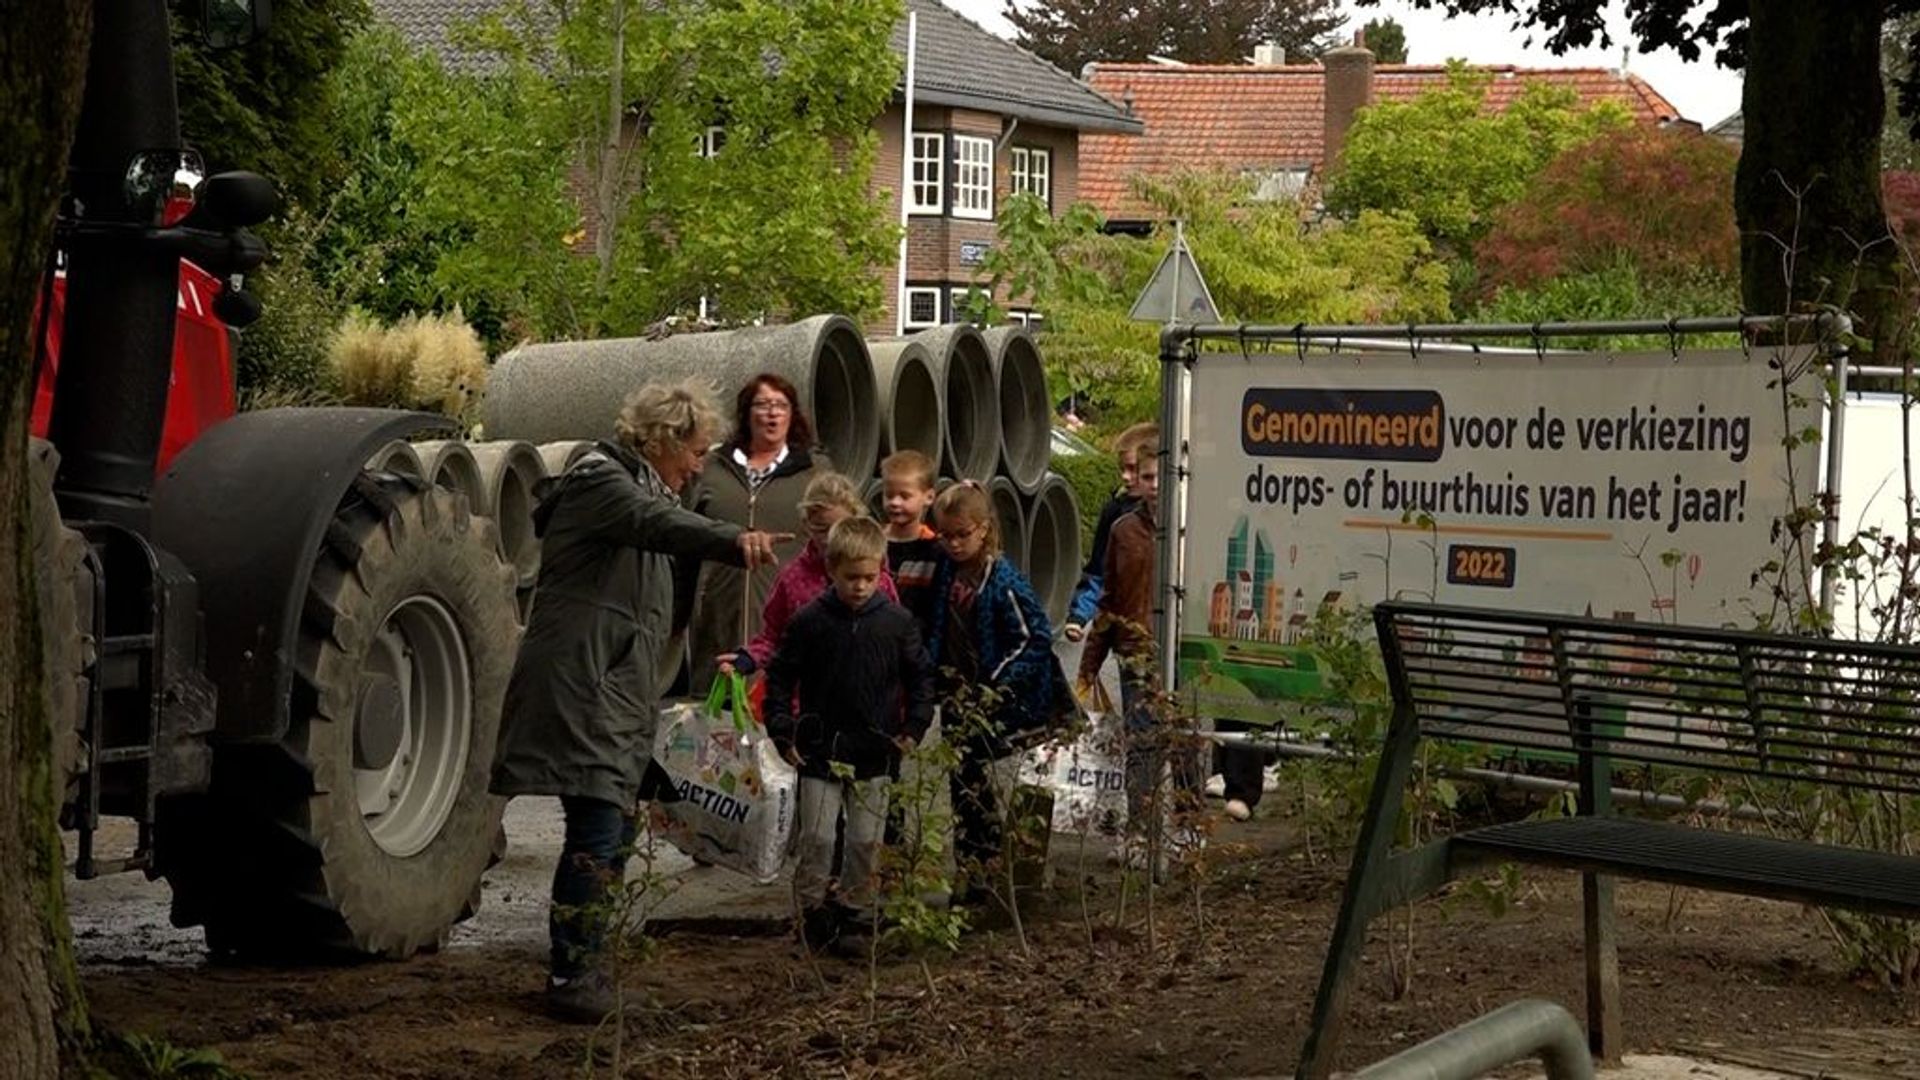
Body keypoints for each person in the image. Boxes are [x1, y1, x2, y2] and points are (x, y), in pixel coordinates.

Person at [489, 382, 788, 1024]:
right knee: (599, 826)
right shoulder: (604, 482)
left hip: (613, 687)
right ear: (663, 440)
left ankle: (589, 961)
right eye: (696, 452)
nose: (699, 467)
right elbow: (657, 527)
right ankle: (574, 974)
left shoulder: (644, 487)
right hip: (584, 682)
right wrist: (732, 540)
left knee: (614, 825)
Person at [761, 518, 935, 954]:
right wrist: (783, 730)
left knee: (865, 839)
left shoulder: (896, 623)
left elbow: (920, 679)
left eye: (869, 577)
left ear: (881, 572)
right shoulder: (810, 621)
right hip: (820, 749)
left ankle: (856, 915)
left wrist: (913, 728)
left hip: (876, 749)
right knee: (817, 839)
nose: (860, 587)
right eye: (850, 577)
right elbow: (780, 676)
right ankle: (811, 915)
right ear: (832, 571)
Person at [925, 481, 1073, 890]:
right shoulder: (948, 573)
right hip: (958, 694)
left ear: (984, 530)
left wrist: (996, 684)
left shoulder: (1004, 580)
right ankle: (972, 870)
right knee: (963, 784)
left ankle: (1002, 871)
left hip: (999, 701)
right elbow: (939, 625)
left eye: (962, 534)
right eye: (946, 536)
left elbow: (1035, 637)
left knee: (996, 785)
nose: (953, 544)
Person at [1077, 440, 1204, 853]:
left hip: (1186, 648)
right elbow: (1110, 596)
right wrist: (1091, 660)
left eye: (1161, 477)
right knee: (1142, 742)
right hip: (1136, 648)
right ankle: (1140, 831)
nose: (1154, 486)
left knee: (1186, 738)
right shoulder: (1124, 530)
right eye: (1147, 477)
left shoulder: (1198, 527)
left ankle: (1189, 825)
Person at [680, 373, 829, 693]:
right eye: (762, 405)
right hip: (718, 611)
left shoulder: (814, 470)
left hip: (790, 611)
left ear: (793, 413)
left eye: (780, 405)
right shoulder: (711, 466)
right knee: (717, 719)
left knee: (781, 706)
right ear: (747, 414)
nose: (772, 413)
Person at [723, 472, 898, 676]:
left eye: (839, 528)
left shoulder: (878, 581)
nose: (830, 538)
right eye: (821, 529)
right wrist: (748, 659)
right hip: (805, 697)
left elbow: (897, 639)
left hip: (865, 692)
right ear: (807, 525)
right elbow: (774, 637)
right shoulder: (792, 579)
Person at [1063, 423, 1159, 646]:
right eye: (1122, 469)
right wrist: (1079, 615)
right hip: (1130, 632)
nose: (1126, 477)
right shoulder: (1116, 514)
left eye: (1133, 469)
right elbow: (1099, 572)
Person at [877, 449, 941, 626]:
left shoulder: (935, 549)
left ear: (928, 497)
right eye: (889, 495)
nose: (895, 502)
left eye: (905, 496)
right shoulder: (873, 542)